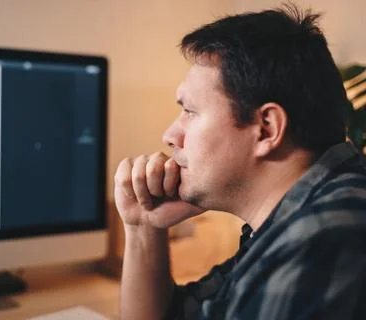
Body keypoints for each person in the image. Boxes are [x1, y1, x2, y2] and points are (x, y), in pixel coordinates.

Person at [114, 3, 366, 320]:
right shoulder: (286, 223)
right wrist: (143, 226)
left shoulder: (322, 239)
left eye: (190, 111)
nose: (170, 135)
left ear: (267, 129)